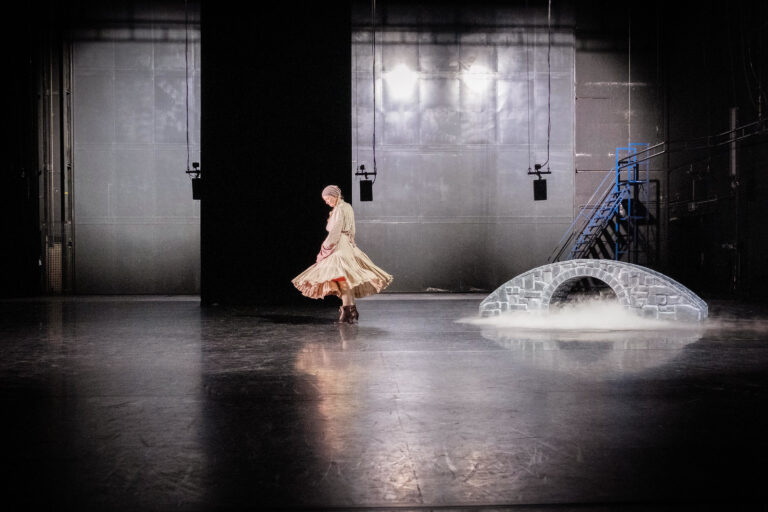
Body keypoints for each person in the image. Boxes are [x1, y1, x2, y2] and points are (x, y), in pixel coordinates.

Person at [292, 185, 393, 323]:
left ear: (335, 196)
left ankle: (347, 311)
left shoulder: (339, 209)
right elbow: (352, 229)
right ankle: (351, 311)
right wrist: (351, 242)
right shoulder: (347, 207)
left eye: (328, 199)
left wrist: (325, 247)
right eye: (325, 200)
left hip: (339, 246)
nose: (326, 202)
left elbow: (335, 232)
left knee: (342, 279)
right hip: (347, 244)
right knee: (344, 279)